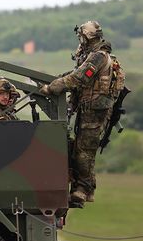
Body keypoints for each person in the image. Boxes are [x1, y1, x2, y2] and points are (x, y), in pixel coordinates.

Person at [38, 20, 121, 207]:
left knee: (84, 151)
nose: (79, 40)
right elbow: (76, 73)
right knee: (79, 148)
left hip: (95, 111)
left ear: (87, 36)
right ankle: (80, 190)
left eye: (81, 37)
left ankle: (83, 190)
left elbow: (79, 77)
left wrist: (52, 87)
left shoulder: (98, 57)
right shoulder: (91, 56)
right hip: (88, 108)